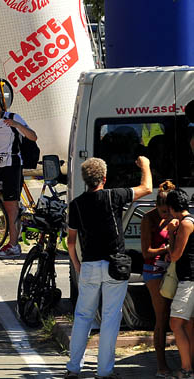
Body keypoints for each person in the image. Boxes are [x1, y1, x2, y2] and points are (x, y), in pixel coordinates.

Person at [65, 156, 152, 379]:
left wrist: (77, 264)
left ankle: (74, 367)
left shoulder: (76, 204)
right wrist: (146, 165)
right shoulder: (114, 196)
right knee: (111, 317)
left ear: (85, 179)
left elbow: (71, 241)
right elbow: (147, 188)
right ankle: (104, 371)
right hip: (115, 265)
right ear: (104, 178)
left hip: (90, 265)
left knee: (83, 316)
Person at [0, 87, 38, 258]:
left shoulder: (12, 117)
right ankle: (12, 240)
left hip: (12, 165)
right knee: (5, 205)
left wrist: (17, 125)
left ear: (1, 103)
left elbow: (33, 137)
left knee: (11, 206)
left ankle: (14, 244)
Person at [142, 180, 178, 378]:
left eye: (169, 211)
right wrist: (166, 249)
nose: (166, 215)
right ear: (156, 206)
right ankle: (161, 365)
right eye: (163, 212)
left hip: (171, 269)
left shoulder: (175, 217)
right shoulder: (149, 219)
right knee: (161, 317)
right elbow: (146, 252)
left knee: (178, 317)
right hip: (154, 269)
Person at [169, 189, 194, 379]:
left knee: (176, 323)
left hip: (189, 280)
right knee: (187, 325)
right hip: (189, 279)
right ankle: (188, 365)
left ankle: (186, 369)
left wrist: (170, 233)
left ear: (171, 208)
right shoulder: (189, 221)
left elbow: (175, 255)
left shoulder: (186, 224)